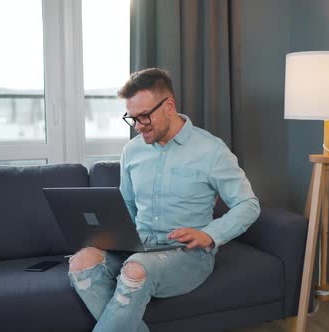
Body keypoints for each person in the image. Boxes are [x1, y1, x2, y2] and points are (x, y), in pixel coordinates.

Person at [67, 68, 260, 332]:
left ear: (169, 106)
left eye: (144, 116)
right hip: (139, 247)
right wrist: (107, 236)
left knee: (135, 270)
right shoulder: (132, 151)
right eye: (132, 118)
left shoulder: (211, 150)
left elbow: (248, 204)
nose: (138, 126)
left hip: (188, 255)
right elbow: (128, 207)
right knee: (81, 262)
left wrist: (210, 234)